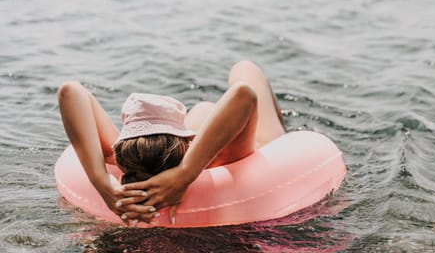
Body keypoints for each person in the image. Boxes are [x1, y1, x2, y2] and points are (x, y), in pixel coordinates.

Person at [57, 60, 285, 224]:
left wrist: (101, 179)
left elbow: (70, 91)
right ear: (187, 145)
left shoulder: (122, 162)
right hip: (252, 139)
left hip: (205, 129)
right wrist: (185, 172)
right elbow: (243, 93)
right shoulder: (218, 158)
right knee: (244, 68)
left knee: (220, 95)